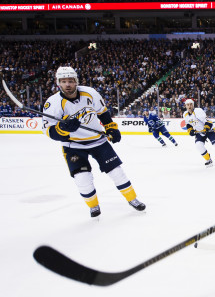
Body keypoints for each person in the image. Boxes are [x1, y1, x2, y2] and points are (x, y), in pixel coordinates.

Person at [42, 66, 145, 218]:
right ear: (58, 83)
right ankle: (93, 205)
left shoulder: (90, 93)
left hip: (98, 141)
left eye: (70, 81)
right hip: (73, 146)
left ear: (76, 81)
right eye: (64, 81)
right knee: (82, 179)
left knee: (117, 172)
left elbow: (102, 112)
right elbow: (49, 131)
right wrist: (63, 129)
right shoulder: (53, 103)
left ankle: (132, 199)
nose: (68, 84)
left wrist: (111, 127)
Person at [183, 98, 215, 167]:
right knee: (198, 145)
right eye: (187, 105)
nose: (189, 106)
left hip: (209, 130)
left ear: (193, 105)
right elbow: (188, 124)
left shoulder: (198, 111)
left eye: (191, 104)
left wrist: (206, 128)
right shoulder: (185, 114)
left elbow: (208, 121)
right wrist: (190, 131)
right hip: (199, 132)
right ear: (185, 106)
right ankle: (208, 160)